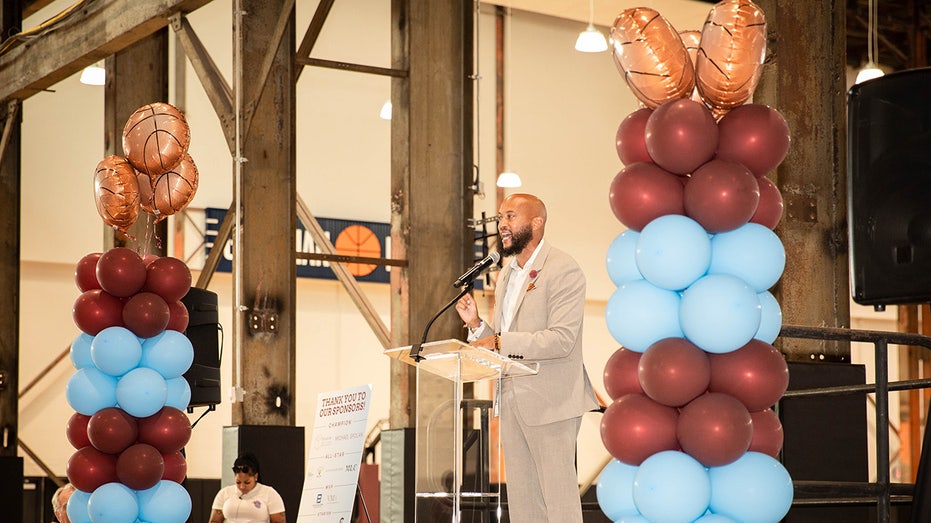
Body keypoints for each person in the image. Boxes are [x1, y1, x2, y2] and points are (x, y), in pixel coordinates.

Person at [455, 193, 599, 522]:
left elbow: (561, 340)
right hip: (511, 399)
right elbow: (503, 337)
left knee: (558, 500)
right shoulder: (507, 273)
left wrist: (499, 339)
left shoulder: (564, 269)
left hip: (551, 401)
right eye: (501, 218)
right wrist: (477, 325)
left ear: (537, 223)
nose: (502, 225)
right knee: (522, 502)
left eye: (510, 217)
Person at [209, 453, 285, 523]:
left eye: (247, 482)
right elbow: (215, 521)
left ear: (255, 477)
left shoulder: (269, 493)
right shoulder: (224, 493)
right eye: (238, 482)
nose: (242, 487)